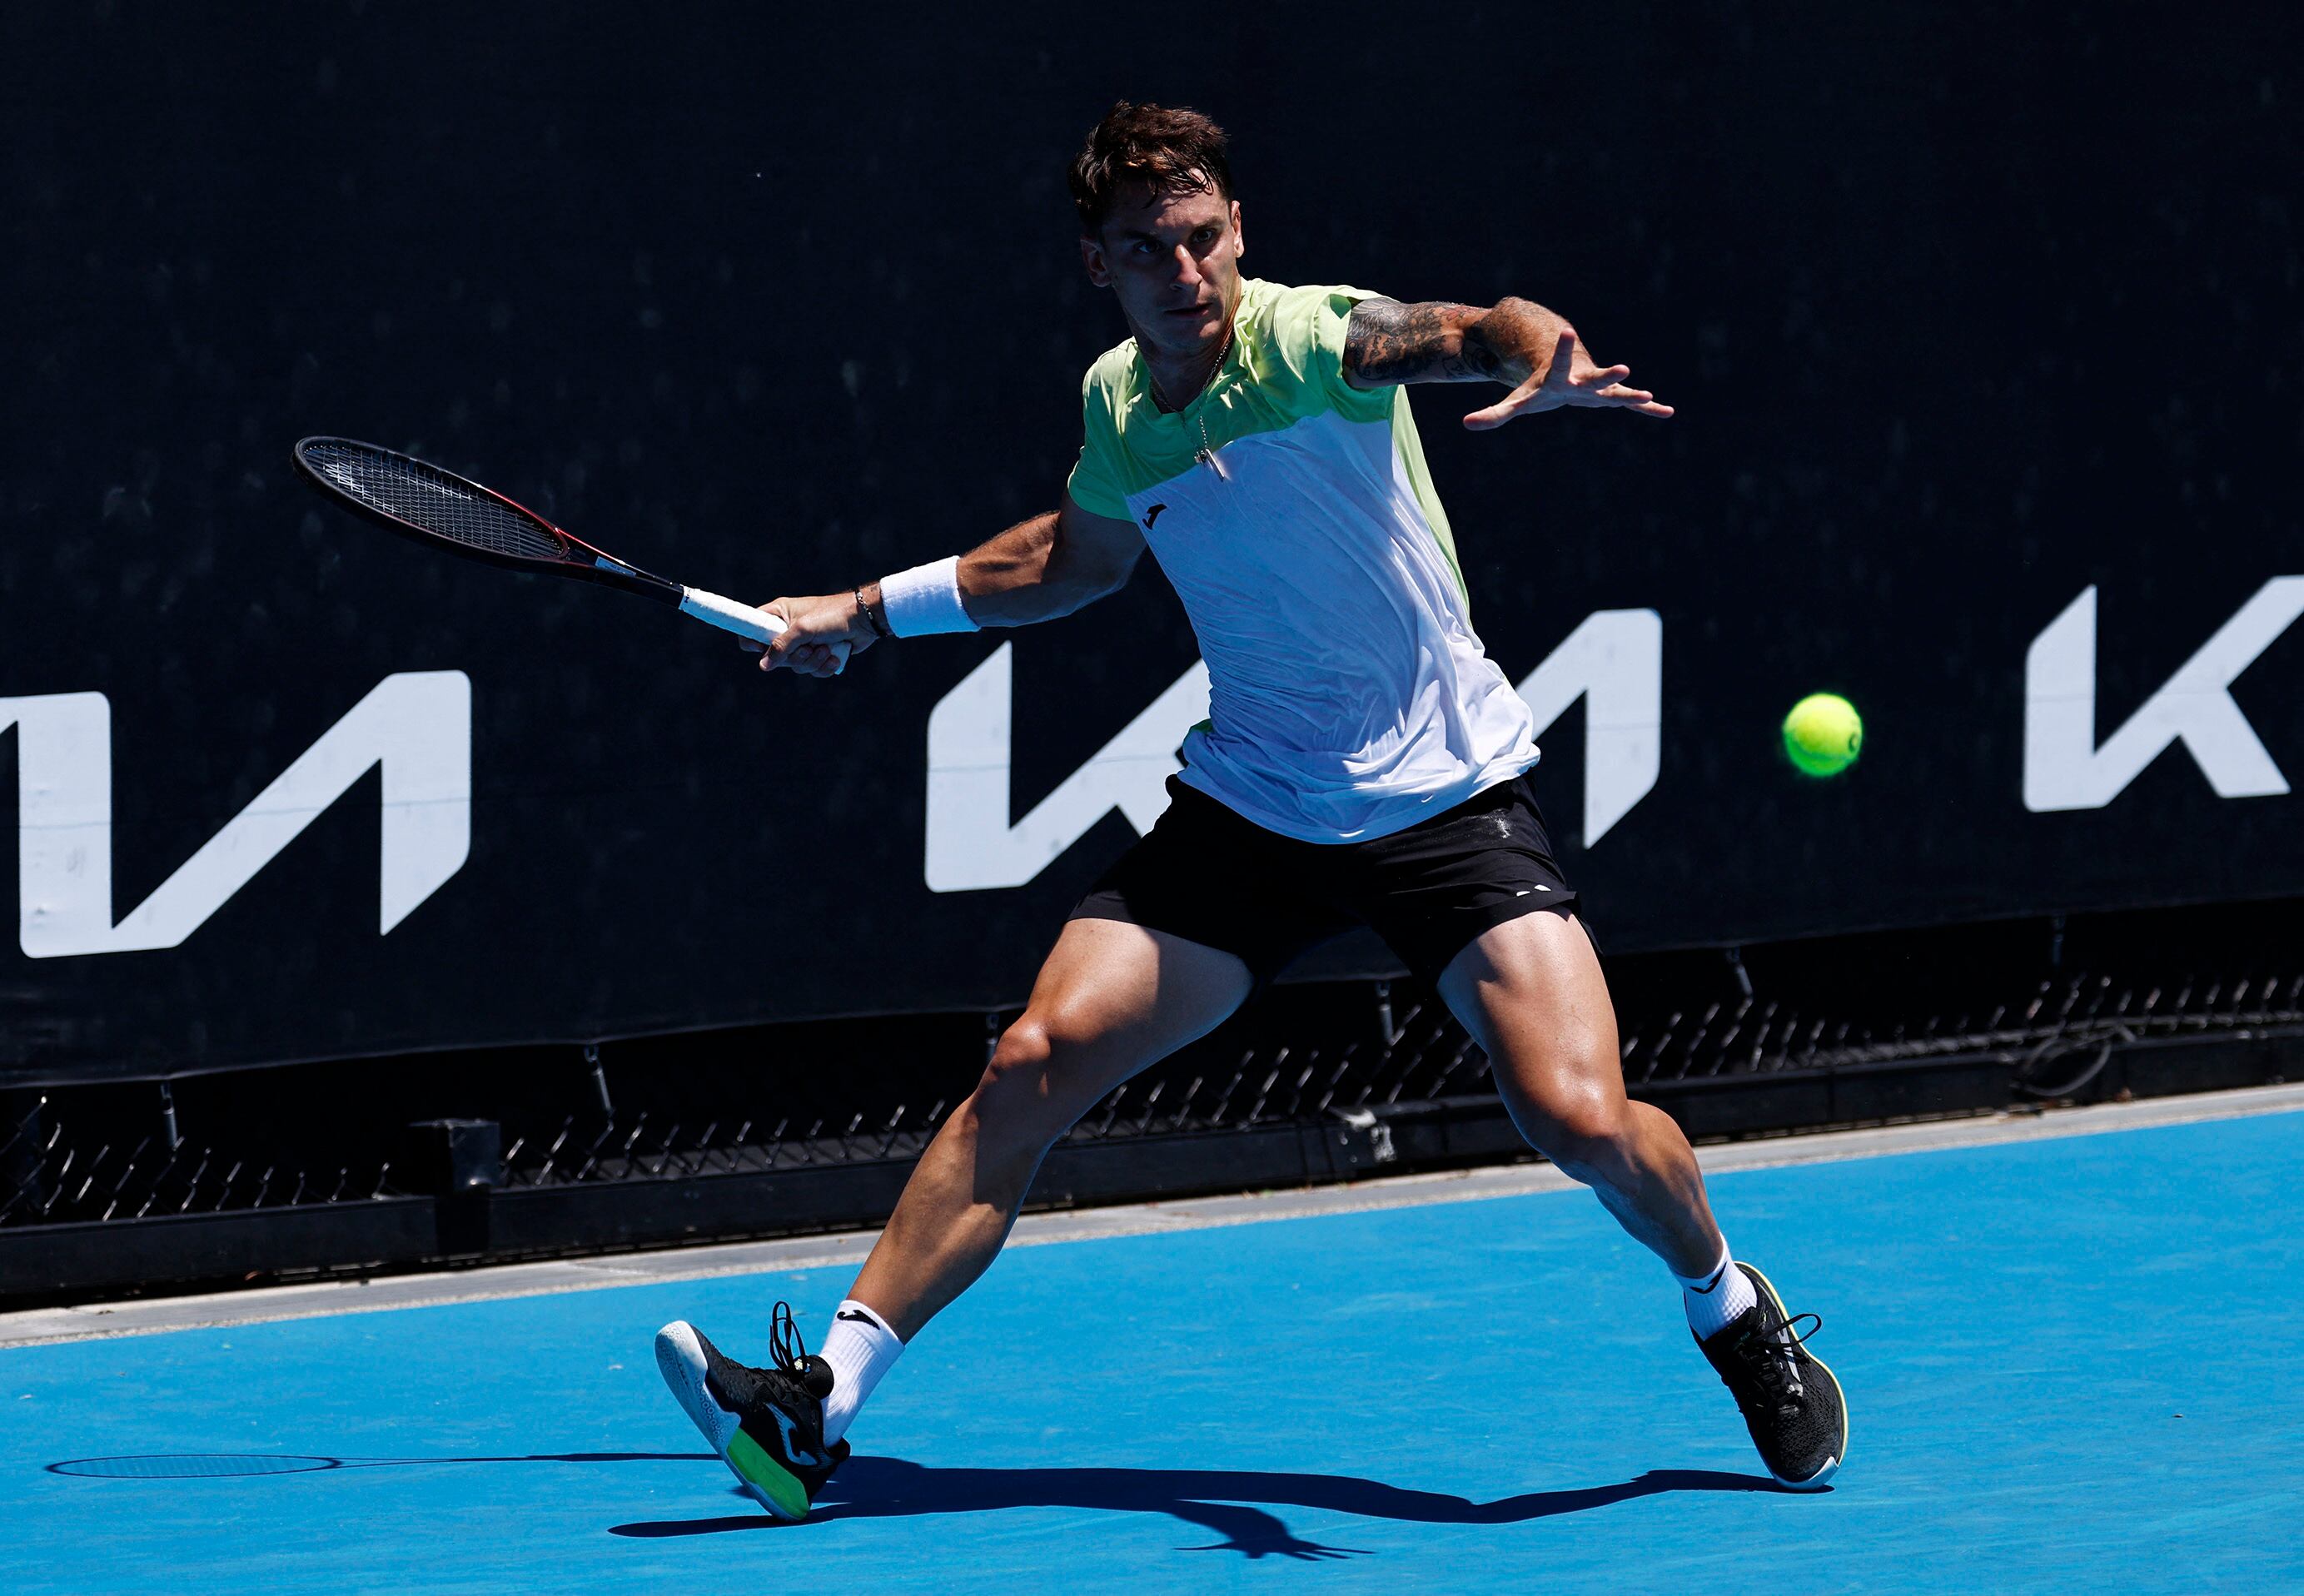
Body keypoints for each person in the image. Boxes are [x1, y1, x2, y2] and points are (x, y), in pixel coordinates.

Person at [653, 101, 1846, 1522]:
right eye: (1148, 248)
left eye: (1205, 236)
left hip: (1444, 801)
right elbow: (1071, 558)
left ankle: (1731, 1306)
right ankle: (819, 1411)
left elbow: (1462, 330)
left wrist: (1539, 354)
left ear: (1240, 230)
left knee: (1579, 1117)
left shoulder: (1311, 338)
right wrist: (853, 614)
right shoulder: (1119, 405)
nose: (1187, 270)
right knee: (1032, 1059)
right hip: (1254, 806)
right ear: (1098, 263)